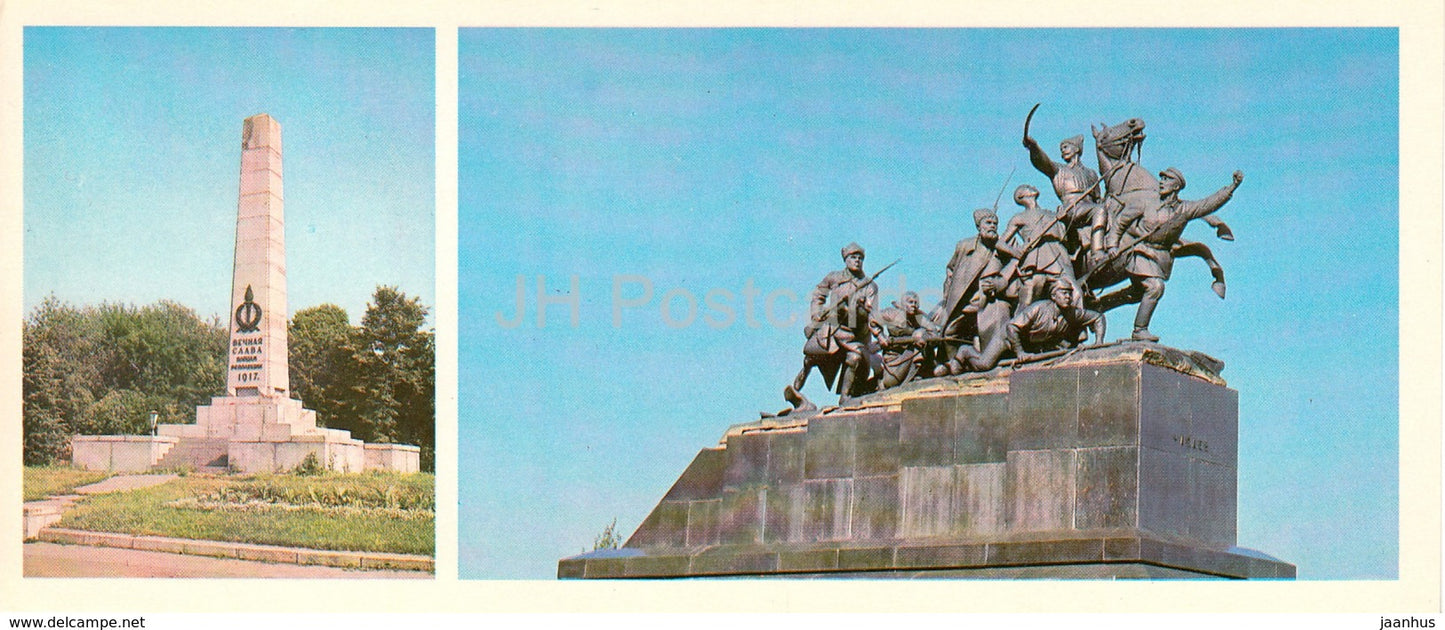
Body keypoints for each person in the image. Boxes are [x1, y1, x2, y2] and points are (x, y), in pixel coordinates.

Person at [1106, 167, 1244, 342]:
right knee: (1155, 287)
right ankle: (1139, 330)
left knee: (1136, 293)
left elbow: (1208, 203)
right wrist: (1112, 245)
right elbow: (1120, 222)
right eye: (1161, 178)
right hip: (1139, 251)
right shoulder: (1146, 202)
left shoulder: (1184, 209)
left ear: (1176, 186)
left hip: (1160, 258)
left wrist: (1232, 187)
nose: (1161, 182)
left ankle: (1099, 305)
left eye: (1167, 179)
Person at [938, 278, 1104, 374]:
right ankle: (965, 353)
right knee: (984, 365)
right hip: (1008, 338)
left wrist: (1098, 342)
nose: (1068, 297)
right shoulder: (1038, 308)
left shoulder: (1073, 313)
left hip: (1029, 343)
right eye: (1063, 293)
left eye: (1069, 293)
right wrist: (1020, 352)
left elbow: (1098, 318)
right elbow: (1012, 328)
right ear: (1053, 296)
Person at [792, 242, 879, 402]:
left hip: (852, 334)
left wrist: (856, 308)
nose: (857, 261)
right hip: (831, 329)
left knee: (855, 358)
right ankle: (800, 381)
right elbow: (819, 294)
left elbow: (871, 315)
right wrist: (816, 313)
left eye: (860, 258)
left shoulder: (869, 286)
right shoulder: (834, 278)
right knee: (812, 356)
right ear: (846, 259)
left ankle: (845, 396)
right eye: (853, 257)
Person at [935, 207, 1017, 358]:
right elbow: (950, 270)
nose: (992, 226)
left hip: (988, 300)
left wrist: (1001, 283)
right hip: (963, 300)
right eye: (988, 222)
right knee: (949, 333)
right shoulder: (964, 245)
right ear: (979, 226)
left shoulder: (1005, 245)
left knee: (988, 334)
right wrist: (947, 296)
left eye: (995, 223)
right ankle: (953, 365)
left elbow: (1014, 267)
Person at [1024, 132, 1107, 260]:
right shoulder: (1059, 170)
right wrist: (1033, 147)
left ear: (1077, 149)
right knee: (1099, 210)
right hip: (1072, 209)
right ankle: (1097, 251)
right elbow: (1041, 162)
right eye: (1061, 149)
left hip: (1090, 207)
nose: (1063, 150)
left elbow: (1098, 198)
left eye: (1066, 147)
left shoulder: (1091, 174)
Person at [1000, 185, 1074, 308]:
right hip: (1035, 261)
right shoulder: (1019, 218)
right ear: (1021, 196)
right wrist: (1015, 252)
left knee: (1076, 293)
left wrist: (1063, 220)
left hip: (1059, 258)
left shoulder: (1051, 214)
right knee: (1028, 301)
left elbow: (1065, 236)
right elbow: (1000, 243)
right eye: (1028, 187)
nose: (1033, 187)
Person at [870, 291, 940, 390]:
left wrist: (923, 338)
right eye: (910, 302)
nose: (914, 305)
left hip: (912, 353)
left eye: (916, 303)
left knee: (919, 333)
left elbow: (934, 334)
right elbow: (872, 317)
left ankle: (918, 374)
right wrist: (880, 336)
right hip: (893, 359)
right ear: (903, 303)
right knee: (890, 382)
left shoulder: (919, 317)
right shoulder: (891, 314)